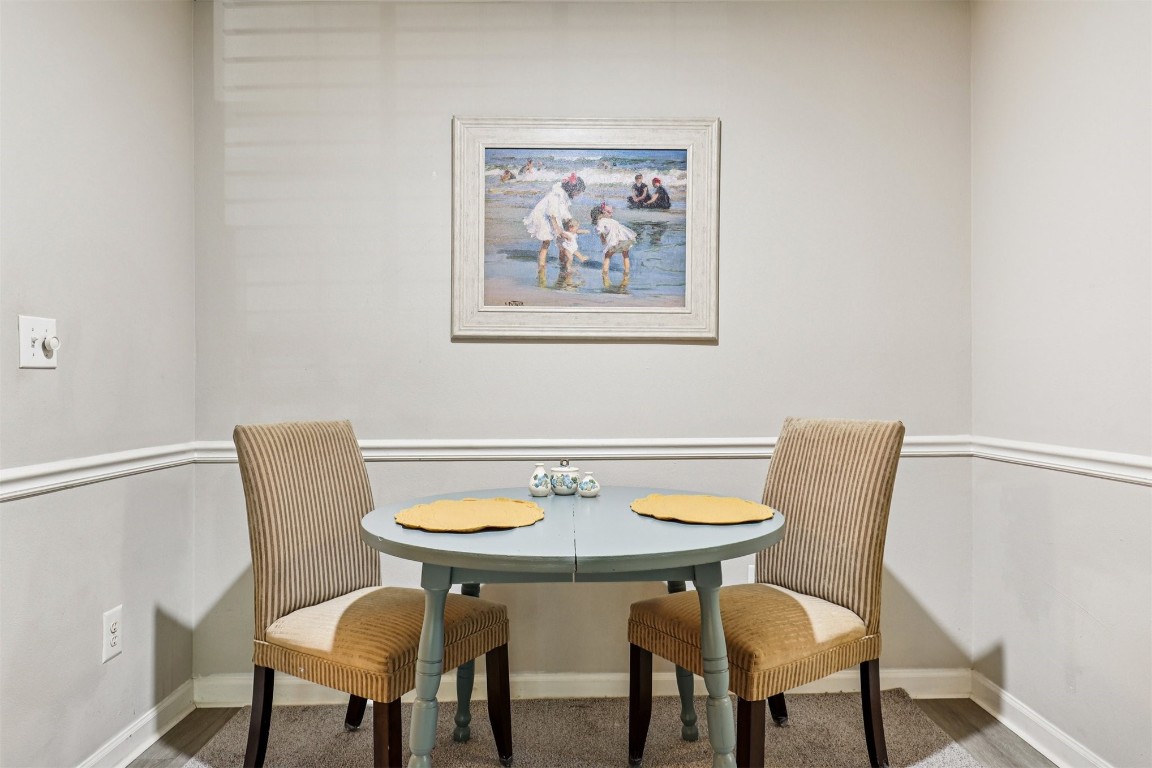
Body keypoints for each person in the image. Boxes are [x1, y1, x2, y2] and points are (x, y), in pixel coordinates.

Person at [523, 173, 586, 268]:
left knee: (561, 241)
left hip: (551, 218)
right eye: (578, 191)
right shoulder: (556, 194)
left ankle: (562, 262)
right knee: (546, 242)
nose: (578, 194)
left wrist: (569, 221)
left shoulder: (563, 195)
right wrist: (558, 229)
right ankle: (541, 266)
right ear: (573, 188)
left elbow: (563, 211)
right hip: (543, 217)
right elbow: (552, 213)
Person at [590, 202, 638, 276]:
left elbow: (599, 231)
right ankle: (627, 272)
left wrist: (602, 238)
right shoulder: (613, 221)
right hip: (625, 239)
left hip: (615, 241)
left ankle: (605, 273)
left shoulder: (601, 221)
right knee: (625, 255)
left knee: (607, 256)